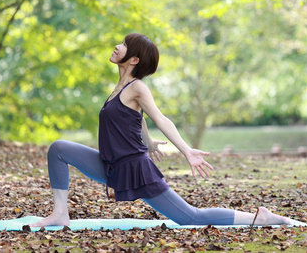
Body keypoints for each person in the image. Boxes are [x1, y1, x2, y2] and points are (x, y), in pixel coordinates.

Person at [31, 33, 291, 228]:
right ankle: (60, 213)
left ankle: (259, 217)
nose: (116, 46)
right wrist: (147, 140)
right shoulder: (119, 89)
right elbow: (135, 118)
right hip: (110, 164)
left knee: (190, 217)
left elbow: (161, 118)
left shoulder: (137, 87)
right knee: (59, 148)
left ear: (133, 59)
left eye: (123, 44)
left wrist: (187, 151)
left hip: (134, 169)